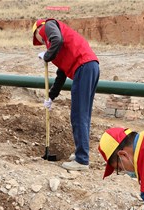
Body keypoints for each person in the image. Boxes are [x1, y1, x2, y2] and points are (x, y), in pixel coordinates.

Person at [32, 18, 100, 171]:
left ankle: (82, 160)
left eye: (39, 39)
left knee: (78, 115)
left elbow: (56, 39)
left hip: (84, 67)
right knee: (83, 115)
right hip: (90, 66)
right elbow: (61, 75)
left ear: (37, 30)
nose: (42, 41)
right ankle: (80, 153)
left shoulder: (46, 26)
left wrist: (47, 56)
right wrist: (51, 96)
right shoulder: (60, 47)